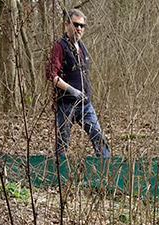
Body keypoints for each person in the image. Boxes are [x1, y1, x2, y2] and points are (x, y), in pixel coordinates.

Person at [47, 9, 111, 158]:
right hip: (66, 105)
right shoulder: (60, 46)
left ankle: (105, 172)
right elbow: (51, 74)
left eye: (82, 26)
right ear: (67, 25)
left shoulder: (82, 47)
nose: (79, 29)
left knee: (98, 137)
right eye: (76, 25)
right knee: (62, 143)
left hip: (85, 104)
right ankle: (59, 177)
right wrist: (70, 89)